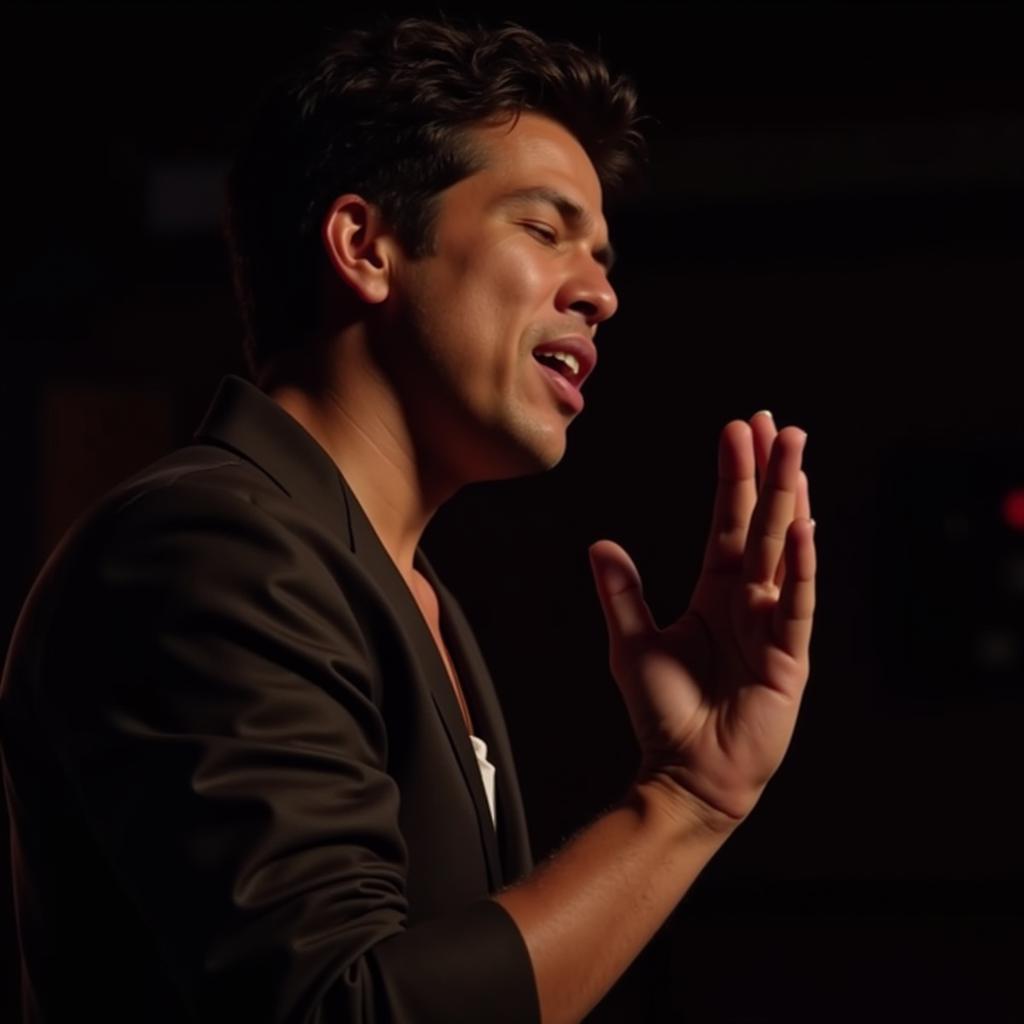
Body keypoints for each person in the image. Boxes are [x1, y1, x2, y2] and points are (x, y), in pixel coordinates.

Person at [0, 14, 815, 1024]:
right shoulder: (208, 549)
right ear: (365, 246)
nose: (600, 291)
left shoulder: (410, 597)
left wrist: (698, 785)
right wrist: (685, 797)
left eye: (600, 253)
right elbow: (346, 1008)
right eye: (543, 227)